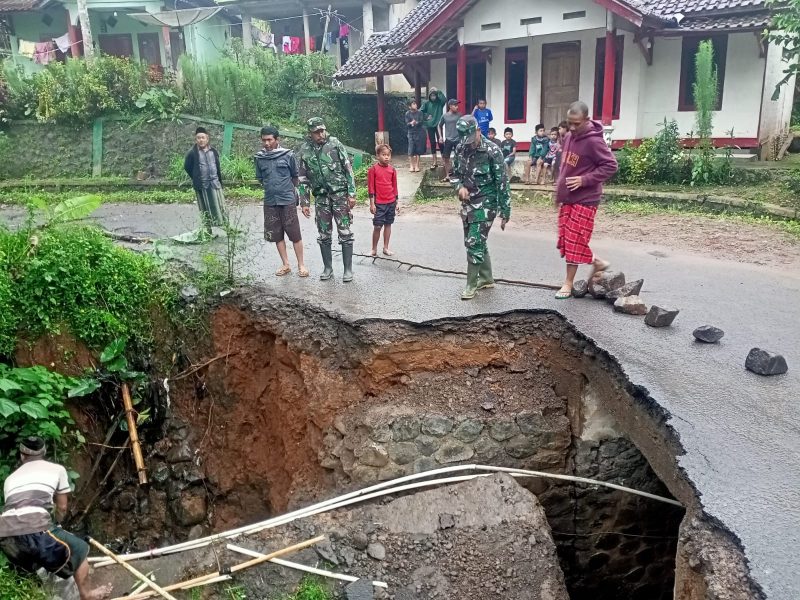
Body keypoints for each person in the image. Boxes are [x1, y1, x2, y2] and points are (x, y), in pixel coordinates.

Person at [0, 437, 113, 600]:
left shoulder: (9, 479)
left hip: (4, 533)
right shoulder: (57, 469)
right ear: (44, 452)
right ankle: (87, 595)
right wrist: (57, 524)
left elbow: (14, 510)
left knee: (34, 564)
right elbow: (62, 507)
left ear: (22, 455)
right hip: (36, 526)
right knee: (80, 549)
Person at [554, 101, 618, 299]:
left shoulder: (593, 141)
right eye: (569, 123)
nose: (572, 128)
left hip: (586, 199)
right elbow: (565, 168)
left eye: (576, 124)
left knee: (574, 240)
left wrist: (585, 180)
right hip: (569, 198)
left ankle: (568, 283)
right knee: (568, 239)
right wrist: (559, 193)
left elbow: (611, 166)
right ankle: (596, 262)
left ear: (587, 120)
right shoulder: (568, 138)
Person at [450, 115, 511, 300]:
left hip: (487, 202)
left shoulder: (493, 151)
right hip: (468, 202)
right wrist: (459, 187)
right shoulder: (460, 147)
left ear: (478, 131)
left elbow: (502, 182)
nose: (467, 143)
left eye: (470, 138)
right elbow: (454, 174)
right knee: (473, 239)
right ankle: (486, 278)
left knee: (474, 241)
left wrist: (505, 210)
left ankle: (472, 284)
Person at [297, 117, 357, 282]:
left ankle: (348, 270)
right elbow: (302, 178)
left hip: (339, 196)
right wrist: (304, 203)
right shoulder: (305, 150)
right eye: (316, 132)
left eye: (322, 130)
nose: (320, 134)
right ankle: (328, 268)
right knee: (324, 234)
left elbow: (348, 169)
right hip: (321, 198)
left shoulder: (335, 144)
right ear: (310, 133)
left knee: (345, 232)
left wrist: (352, 193)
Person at [255, 126, 310, 278]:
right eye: (264, 140)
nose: (266, 143)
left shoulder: (288, 155)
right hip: (270, 201)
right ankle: (286, 264)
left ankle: (301, 265)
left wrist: (292, 193)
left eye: (269, 140)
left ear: (277, 140)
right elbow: (260, 178)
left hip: (287, 200)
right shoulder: (259, 158)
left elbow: (295, 176)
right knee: (277, 234)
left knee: (295, 233)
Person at [184, 127, 227, 236]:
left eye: (203, 138)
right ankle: (208, 231)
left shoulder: (213, 151)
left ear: (207, 139)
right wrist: (196, 177)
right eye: (198, 138)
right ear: (196, 139)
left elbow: (217, 167)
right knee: (204, 208)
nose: (201, 140)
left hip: (215, 184)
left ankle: (227, 228)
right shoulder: (192, 153)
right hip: (202, 185)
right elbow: (187, 167)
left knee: (221, 206)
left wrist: (220, 182)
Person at [368, 144, 400, 257]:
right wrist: (372, 203)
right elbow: (371, 188)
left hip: (391, 201)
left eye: (388, 155)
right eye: (383, 155)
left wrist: (397, 202)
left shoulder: (392, 170)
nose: (386, 157)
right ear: (377, 156)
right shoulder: (373, 170)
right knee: (377, 226)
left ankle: (386, 248)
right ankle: (373, 249)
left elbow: (395, 186)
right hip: (379, 203)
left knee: (388, 224)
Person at [421, 87, 446, 170]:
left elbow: (444, 99)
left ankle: (443, 161)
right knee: (432, 143)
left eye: (434, 95)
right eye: (431, 95)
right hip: (430, 125)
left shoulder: (440, 103)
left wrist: (437, 90)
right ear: (429, 96)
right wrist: (426, 116)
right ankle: (434, 161)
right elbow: (420, 111)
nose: (433, 97)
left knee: (441, 142)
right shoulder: (426, 103)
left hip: (438, 125)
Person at [438, 99, 462, 181]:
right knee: (446, 158)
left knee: (459, 157)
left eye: (457, 105)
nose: (457, 107)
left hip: (458, 139)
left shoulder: (459, 115)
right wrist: (440, 136)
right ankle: (447, 175)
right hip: (448, 139)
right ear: (450, 106)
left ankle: (458, 175)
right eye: (455, 105)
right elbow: (439, 126)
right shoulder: (445, 116)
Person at [405, 99, 426, 173]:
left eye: (415, 104)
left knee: (418, 149)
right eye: (413, 104)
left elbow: (421, 121)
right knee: (410, 149)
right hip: (411, 133)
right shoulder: (407, 113)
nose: (415, 105)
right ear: (409, 106)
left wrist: (416, 122)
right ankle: (411, 165)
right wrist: (411, 123)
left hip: (419, 132)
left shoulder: (420, 112)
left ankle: (417, 165)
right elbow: (406, 124)